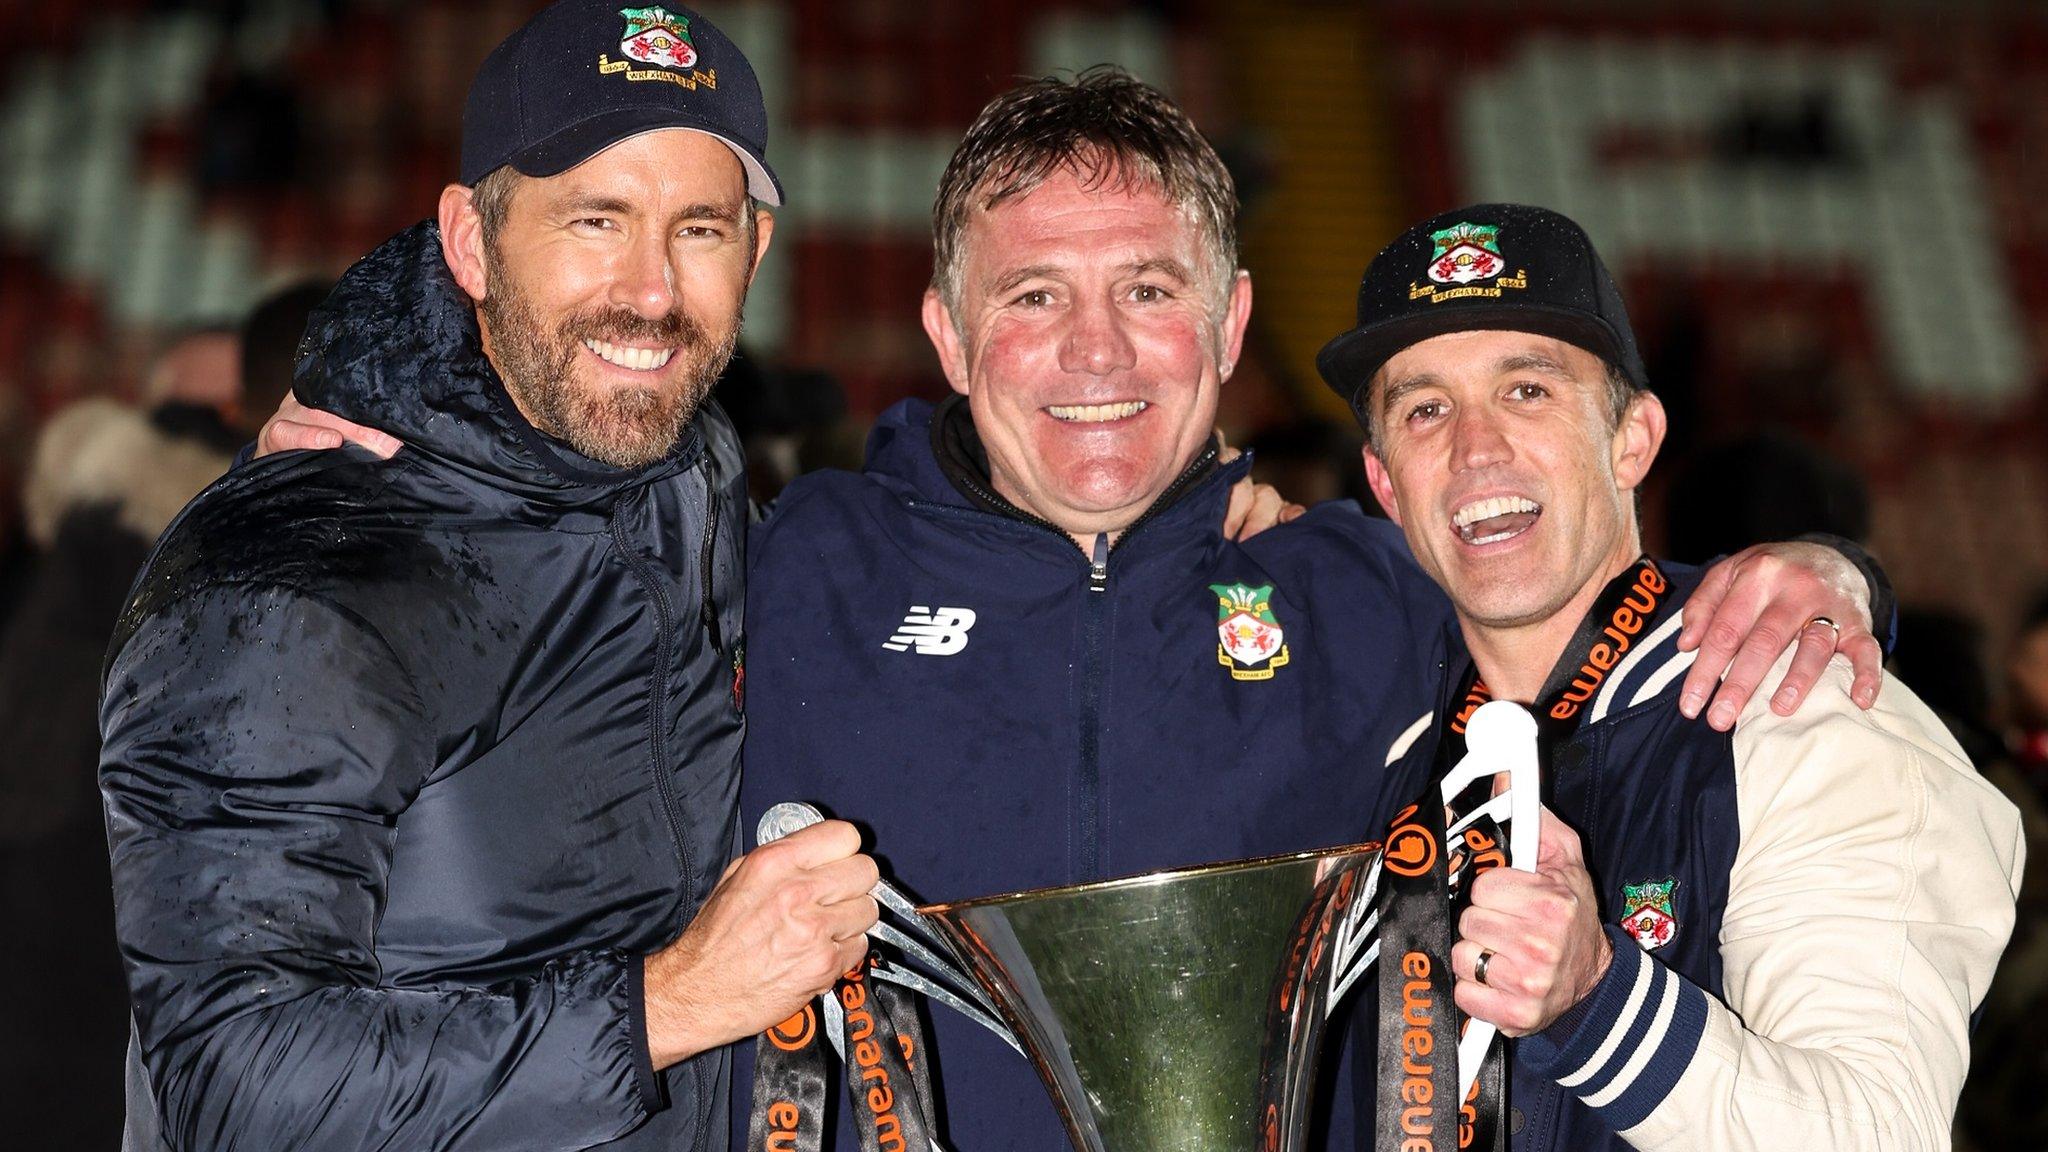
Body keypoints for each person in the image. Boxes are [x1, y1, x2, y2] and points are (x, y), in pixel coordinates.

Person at [263, 71, 1891, 1152]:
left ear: (1230, 319)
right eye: (1033, 299)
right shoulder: (790, 564)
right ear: (948, 335)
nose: (1096, 356)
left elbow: (1572, 599)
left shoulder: (1362, 592)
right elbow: (518, 660)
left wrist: (1820, 575)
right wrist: (383, 514)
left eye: (1147, 292)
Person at [97, 4, 879, 1150]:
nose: (653, 292)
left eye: (698, 229)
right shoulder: (285, 579)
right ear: (470, 241)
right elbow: (235, 1084)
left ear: (754, 250)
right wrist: (673, 1004)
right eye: (595, 220)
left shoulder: (685, 475)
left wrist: (1196, 517)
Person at [1317, 202, 2024, 1150]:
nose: (1475, 448)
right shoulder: (1371, 748)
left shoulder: (1804, 712)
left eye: (1528, 391)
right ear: (1386, 481)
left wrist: (1597, 1002)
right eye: (1426, 408)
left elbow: (1877, 1133)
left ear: (1633, 441)